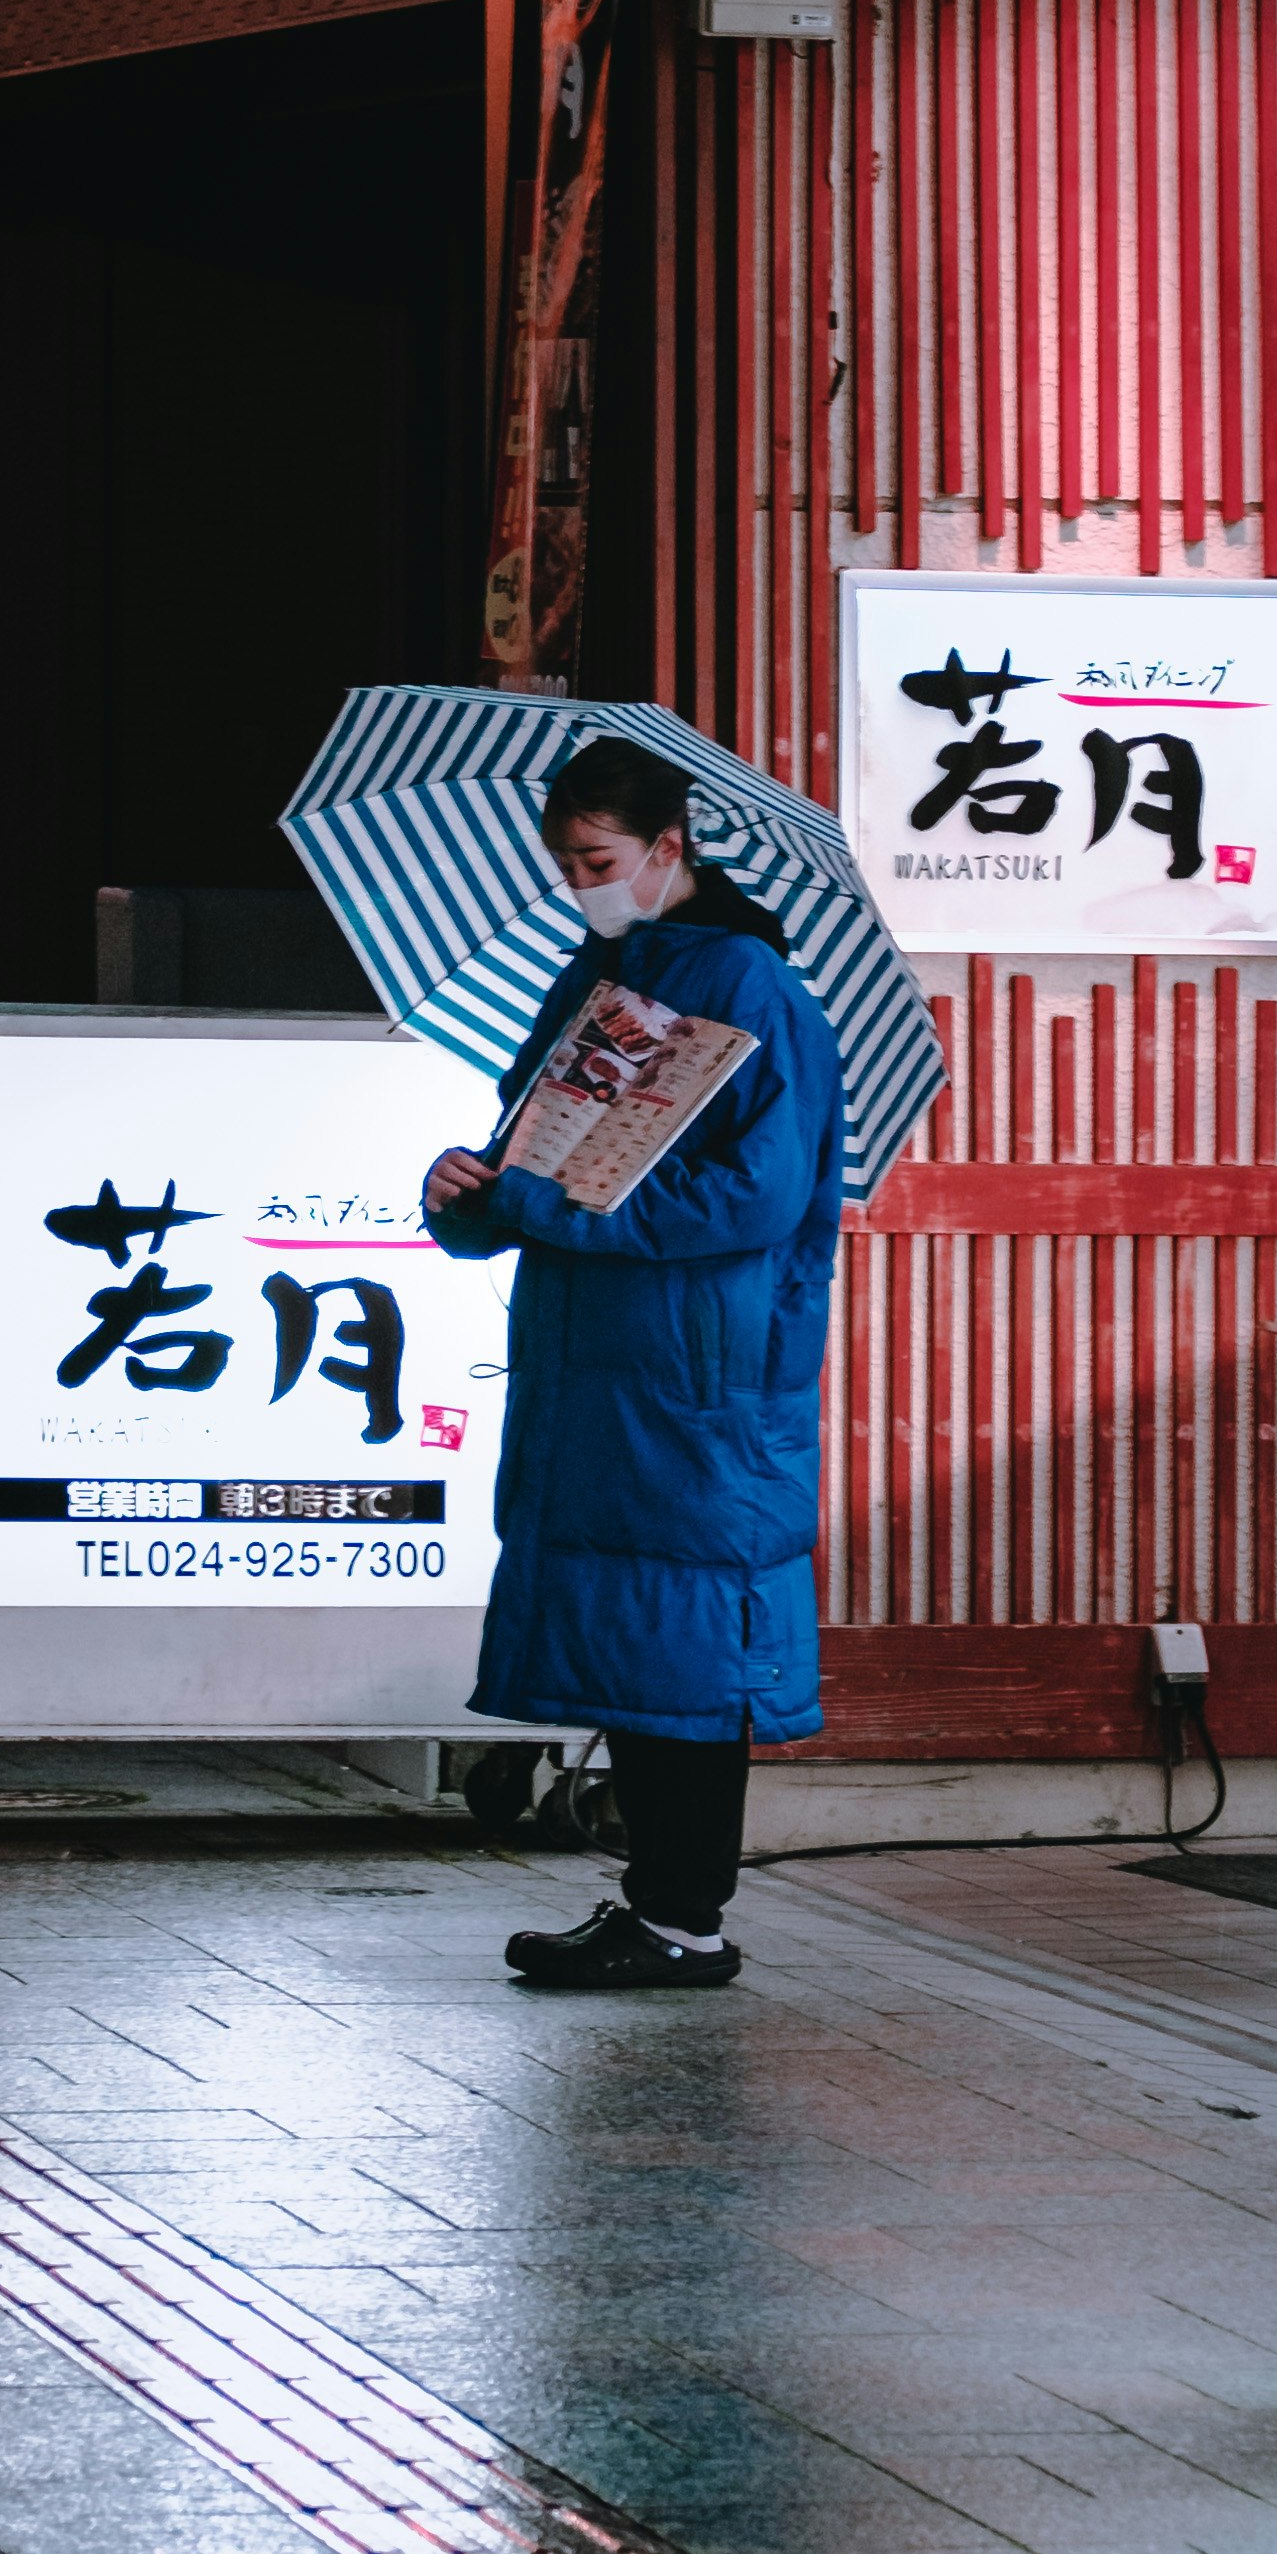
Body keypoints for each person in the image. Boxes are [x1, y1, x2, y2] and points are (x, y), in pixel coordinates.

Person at [425, 739, 845, 1988]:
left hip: (695, 1372)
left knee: (689, 1643)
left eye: (596, 860)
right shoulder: (603, 972)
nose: (577, 883)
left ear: (671, 846)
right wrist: (466, 1194)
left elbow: (755, 1200)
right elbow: (530, 1147)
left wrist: (543, 1210)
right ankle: (658, 1905)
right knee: (637, 1632)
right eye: (563, 861)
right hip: (605, 1355)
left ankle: (681, 1916)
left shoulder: (753, 985)